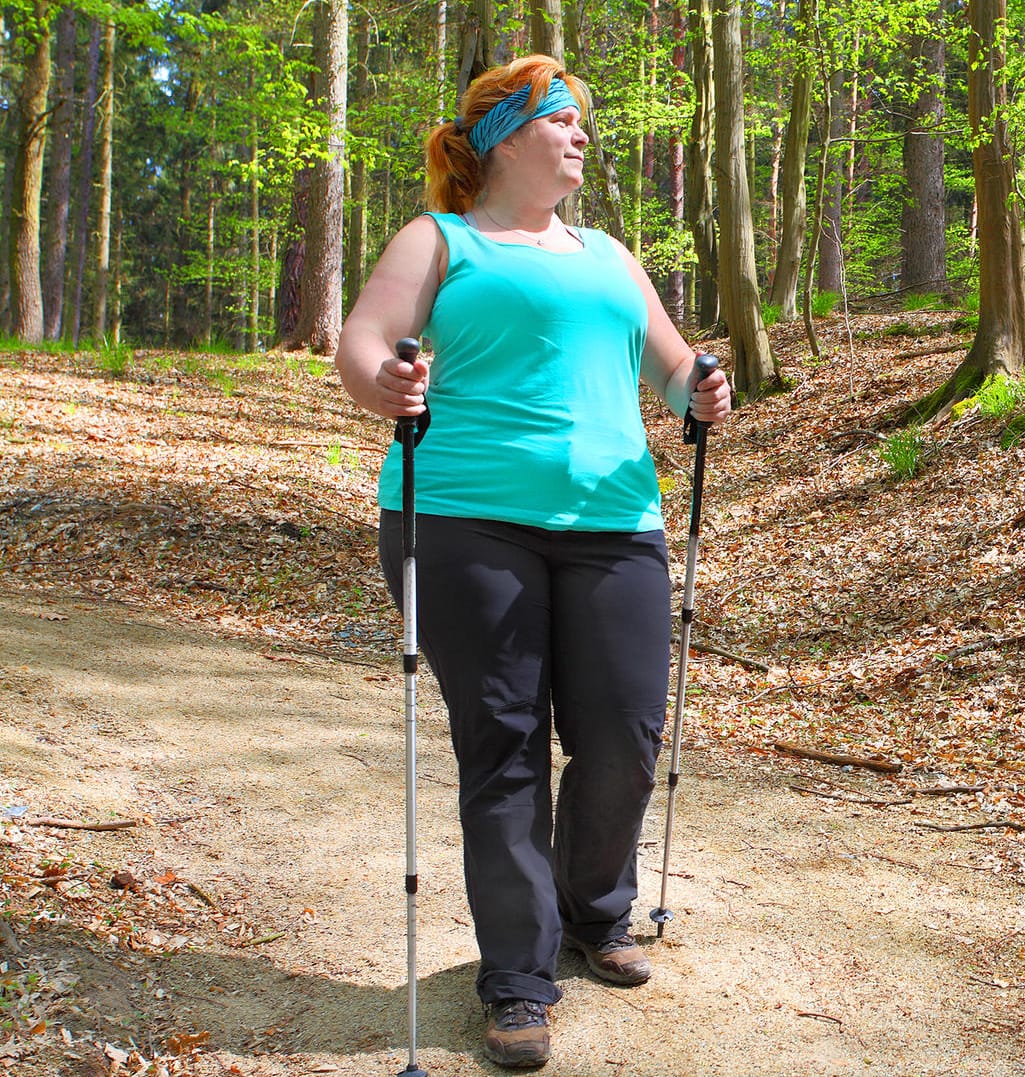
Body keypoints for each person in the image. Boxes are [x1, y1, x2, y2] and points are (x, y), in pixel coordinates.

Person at [334, 54, 731, 1069]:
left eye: (582, 120)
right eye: (563, 118)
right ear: (509, 135)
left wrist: (701, 388)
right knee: (504, 748)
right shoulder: (442, 240)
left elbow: (676, 362)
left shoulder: (608, 252)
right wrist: (385, 381)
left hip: (614, 518)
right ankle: (518, 976)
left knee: (626, 734)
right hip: (466, 519)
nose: (580, 134)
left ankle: (594, 910)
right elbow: (365, 339)